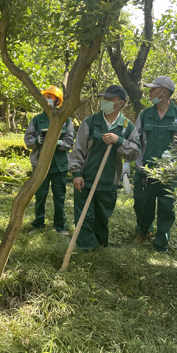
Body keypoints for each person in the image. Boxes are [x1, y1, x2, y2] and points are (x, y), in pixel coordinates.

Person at [69, 85, 140, 250]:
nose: (105, 102)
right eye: (104, 99)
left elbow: (134, 153)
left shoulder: (127, 127)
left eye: (110, 99)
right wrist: (76, 173)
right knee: (84, 216)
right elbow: (77, 150)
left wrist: (119, 141)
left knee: (102, 217)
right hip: (86, 178)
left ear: (120, 103)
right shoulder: (91, 122)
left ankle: (100, 247)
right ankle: (86, 248)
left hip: (108, 181)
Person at [133, 75, 177, 253]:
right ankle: (143, 232)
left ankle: (161, 242)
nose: (150, 92)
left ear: (164, 92)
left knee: (167, 208)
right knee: (142, 204)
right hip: (145, 172)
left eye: (153, 89)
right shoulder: (145, 115)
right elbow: (135, 140)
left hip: (169, 175)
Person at [24, 86, 74, 235]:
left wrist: (57, 143)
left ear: (57, 101)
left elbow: (70, 141)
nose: (47, 100)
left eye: (50, 97)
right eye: (45, 97)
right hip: (41, 164)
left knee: (60, 196)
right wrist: (38, 141)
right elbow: (28, 140)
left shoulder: (65, 119)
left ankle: (60, 226)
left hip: (60, 164)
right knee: (40, 194)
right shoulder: (37, 120)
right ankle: (38, 224)